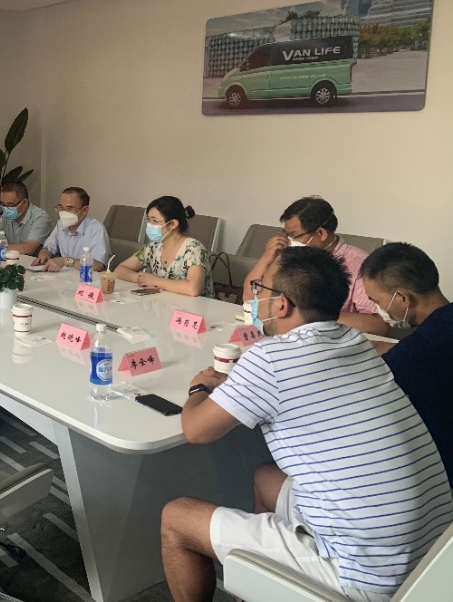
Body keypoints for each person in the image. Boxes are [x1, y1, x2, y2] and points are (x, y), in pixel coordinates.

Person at [161, 247, 452, 602]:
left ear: (282, 304)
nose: (257, 298)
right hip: (430, 557)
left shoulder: (270, 359)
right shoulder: (357, 343)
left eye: (261, 290)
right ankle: (261, 585)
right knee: (265, 478)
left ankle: (297, 575)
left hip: (364, 574)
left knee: (176, 518)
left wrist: (200, 388)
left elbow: (195, 430)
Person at [360, 242, 452, 486]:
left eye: (376, 301)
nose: (378, 309)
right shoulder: (438, 330)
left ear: (402, 297)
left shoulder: (417, 352)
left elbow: (370, 392)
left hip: (439, 475)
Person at [243, 196, 387, 335]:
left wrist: (308, 316)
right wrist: (266, 258)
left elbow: (378, 325)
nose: (288, 240)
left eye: (294, 235)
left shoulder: (359, 264)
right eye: (286, 234)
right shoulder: (290, 256)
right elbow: (250, 299)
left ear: (321, 233)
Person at [114, 196, 213, 297]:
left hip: (193, 306)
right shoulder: (154, 247)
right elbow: (120, 270)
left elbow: (193, 289)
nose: (150, 225)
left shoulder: (194, 249)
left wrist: (155, 281)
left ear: (172, 224)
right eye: (148, 220)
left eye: (155, 221)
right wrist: (140, 278)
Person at [32, 187, 111, 272]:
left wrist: (65, 261)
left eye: (69, 208)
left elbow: (98, 265)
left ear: (84, 210)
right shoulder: (60, 224)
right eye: (61, 208)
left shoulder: (96, 229)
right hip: (65, 276)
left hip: (87, 278)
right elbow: (48, 248)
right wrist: (44, 255)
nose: (63, 213)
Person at [0, 181, 52, 256]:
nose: (6, 209)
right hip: (12, 261)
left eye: (10, 205)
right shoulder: (6, 216)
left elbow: (29, 248)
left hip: (35, 263)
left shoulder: (40, 217)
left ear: (24, 203)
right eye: (3, 205)